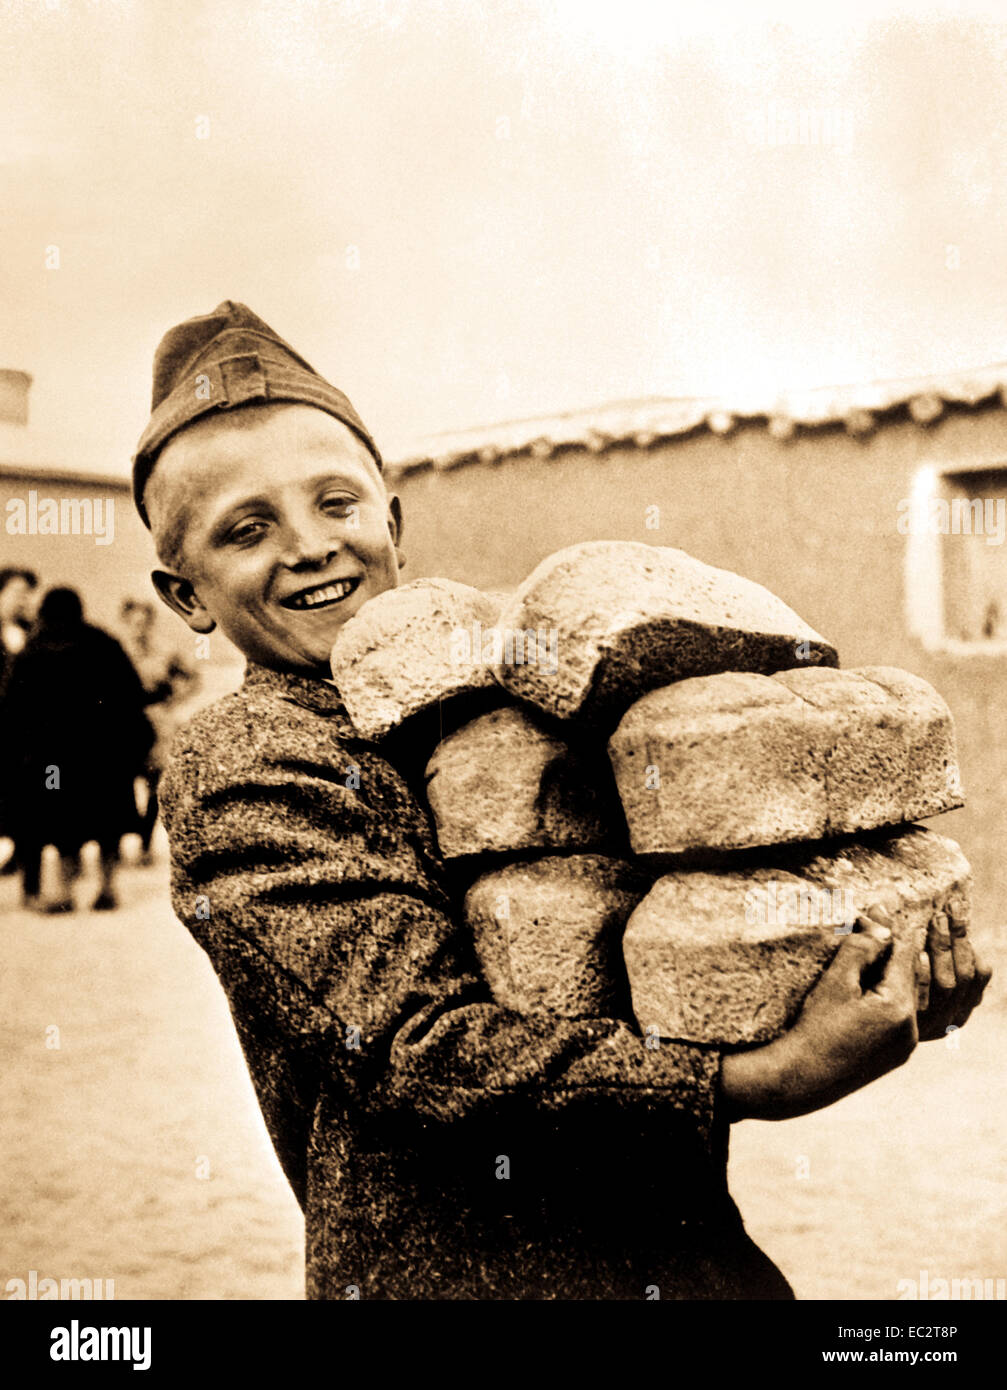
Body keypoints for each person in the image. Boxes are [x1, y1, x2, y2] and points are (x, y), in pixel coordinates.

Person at [136, 301, 991, 1300]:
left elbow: (662, 959)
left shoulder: (507, 706)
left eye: (337, 503)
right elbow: (416, 1051)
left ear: (393, 522)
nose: (311, 544)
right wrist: (747, 1082)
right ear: (186, 594)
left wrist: (861, 979)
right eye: (248, 528)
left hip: (685, 1257)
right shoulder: (246, 758)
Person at [0, 587, 154, 912]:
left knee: (62, 823)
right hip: (105, 757)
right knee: (107, 824)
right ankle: (107, 888)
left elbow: (13, 708)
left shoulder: (33, 650)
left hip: (52, 762)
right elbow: (133, 694)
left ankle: (66, 892)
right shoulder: (104, 643)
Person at [118, 597, 196, 860]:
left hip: (158, 719)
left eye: (144, 622)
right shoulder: (117, 650)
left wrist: (176, 698)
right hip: (125, 720)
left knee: (155, 783)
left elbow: (193, 676)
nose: (139, 627)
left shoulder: (164, 650)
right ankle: (117, 844)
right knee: (122, 781)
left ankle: (145, 842)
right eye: (134, 622)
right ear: (125, 622)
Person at [0, 568, 40, 876]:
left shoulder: (35, 632)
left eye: (27, 593)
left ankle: (20, 856)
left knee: (22, 796)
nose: (23, 600)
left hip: (23, 731)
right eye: (16, 593)